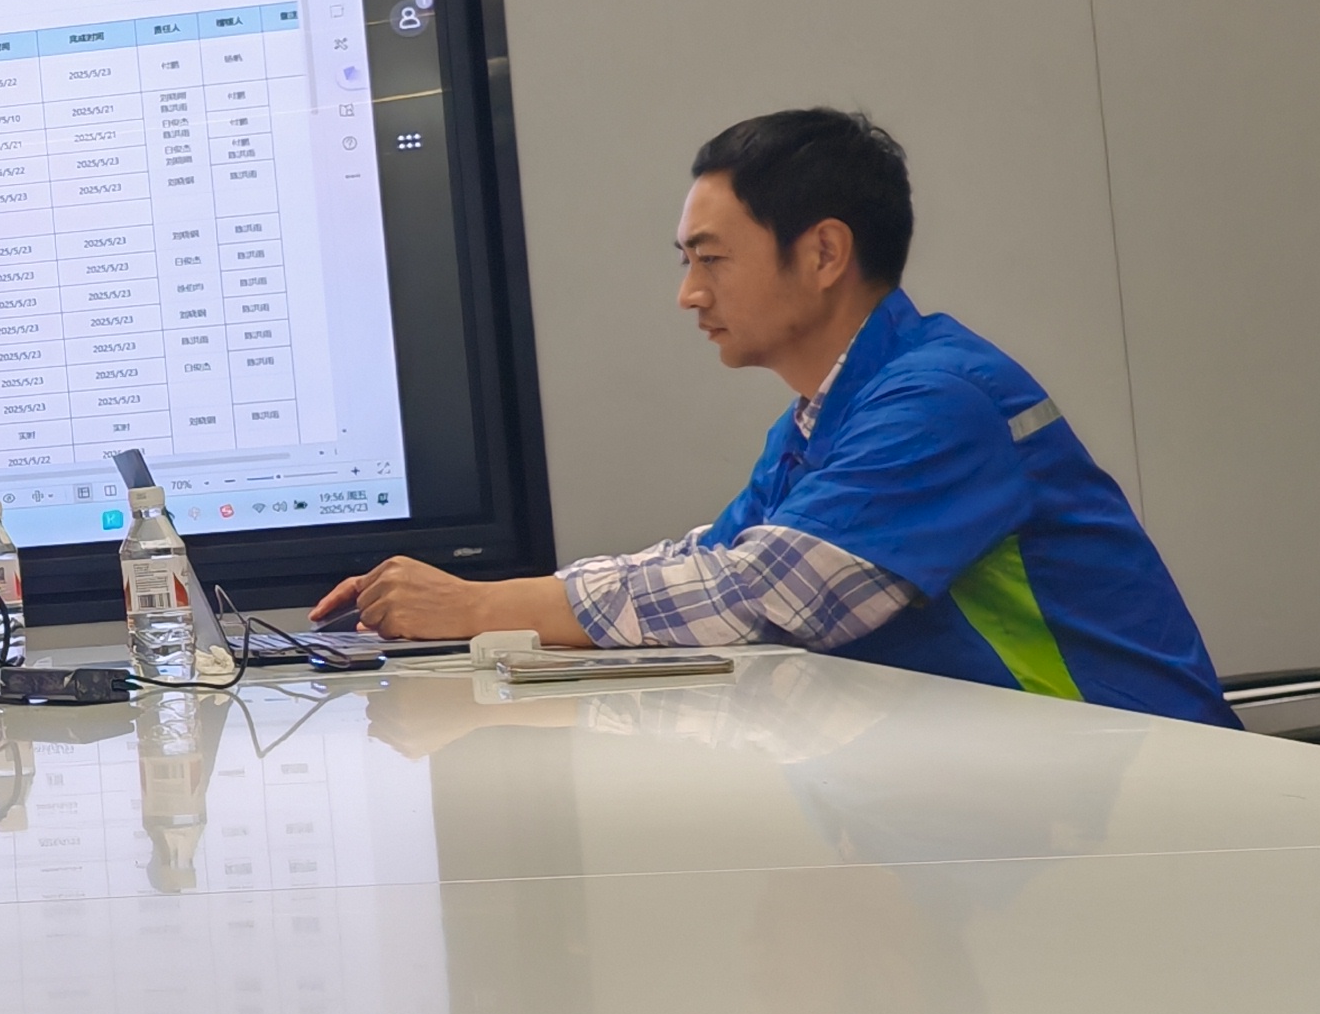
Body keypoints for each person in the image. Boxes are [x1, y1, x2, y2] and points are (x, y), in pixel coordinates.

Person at [320, 108, 1232, 725]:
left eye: (711, 259)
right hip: (1032, 799)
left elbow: (767, 597)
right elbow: (716, 561)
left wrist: (482, 605)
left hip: (1137, 802)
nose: (689, 294)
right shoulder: (829, 412)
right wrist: (485, 612)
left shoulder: (940, 401)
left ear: (825, 252)